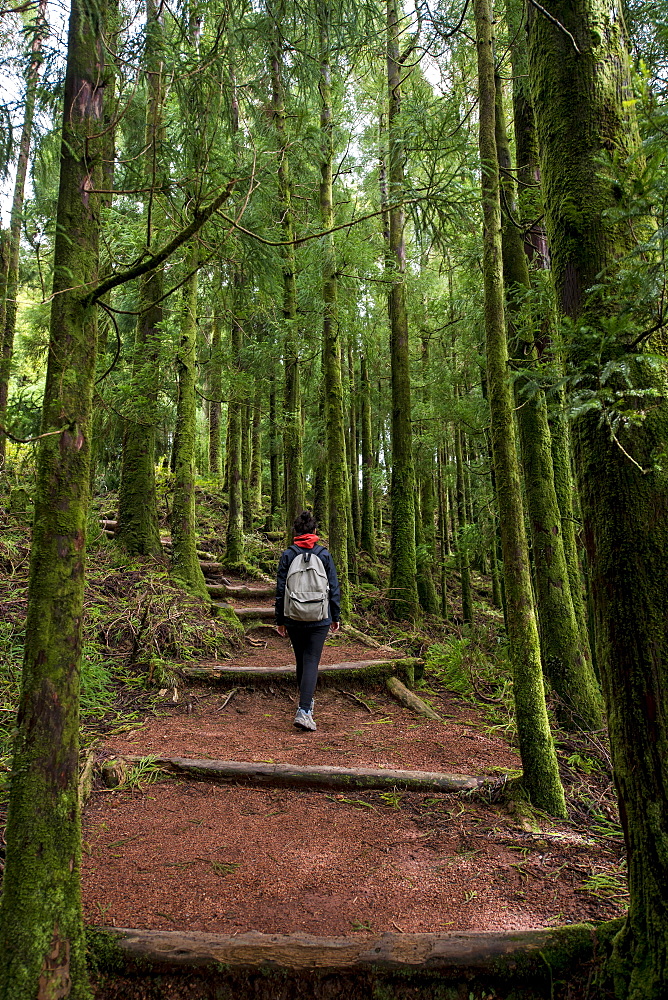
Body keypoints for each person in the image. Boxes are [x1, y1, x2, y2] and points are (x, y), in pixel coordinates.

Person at [275, 510, 341, 731]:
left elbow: (281, 590)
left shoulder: (288, 554)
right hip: (320, 616)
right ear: (315, 531)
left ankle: (305, 704)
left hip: (293, 614)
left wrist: (280, 619)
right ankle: (305, 710)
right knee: (312, 659)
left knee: (301, 660)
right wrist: (335, 615)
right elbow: (333, 586)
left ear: (295, 532)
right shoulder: (323, 554)